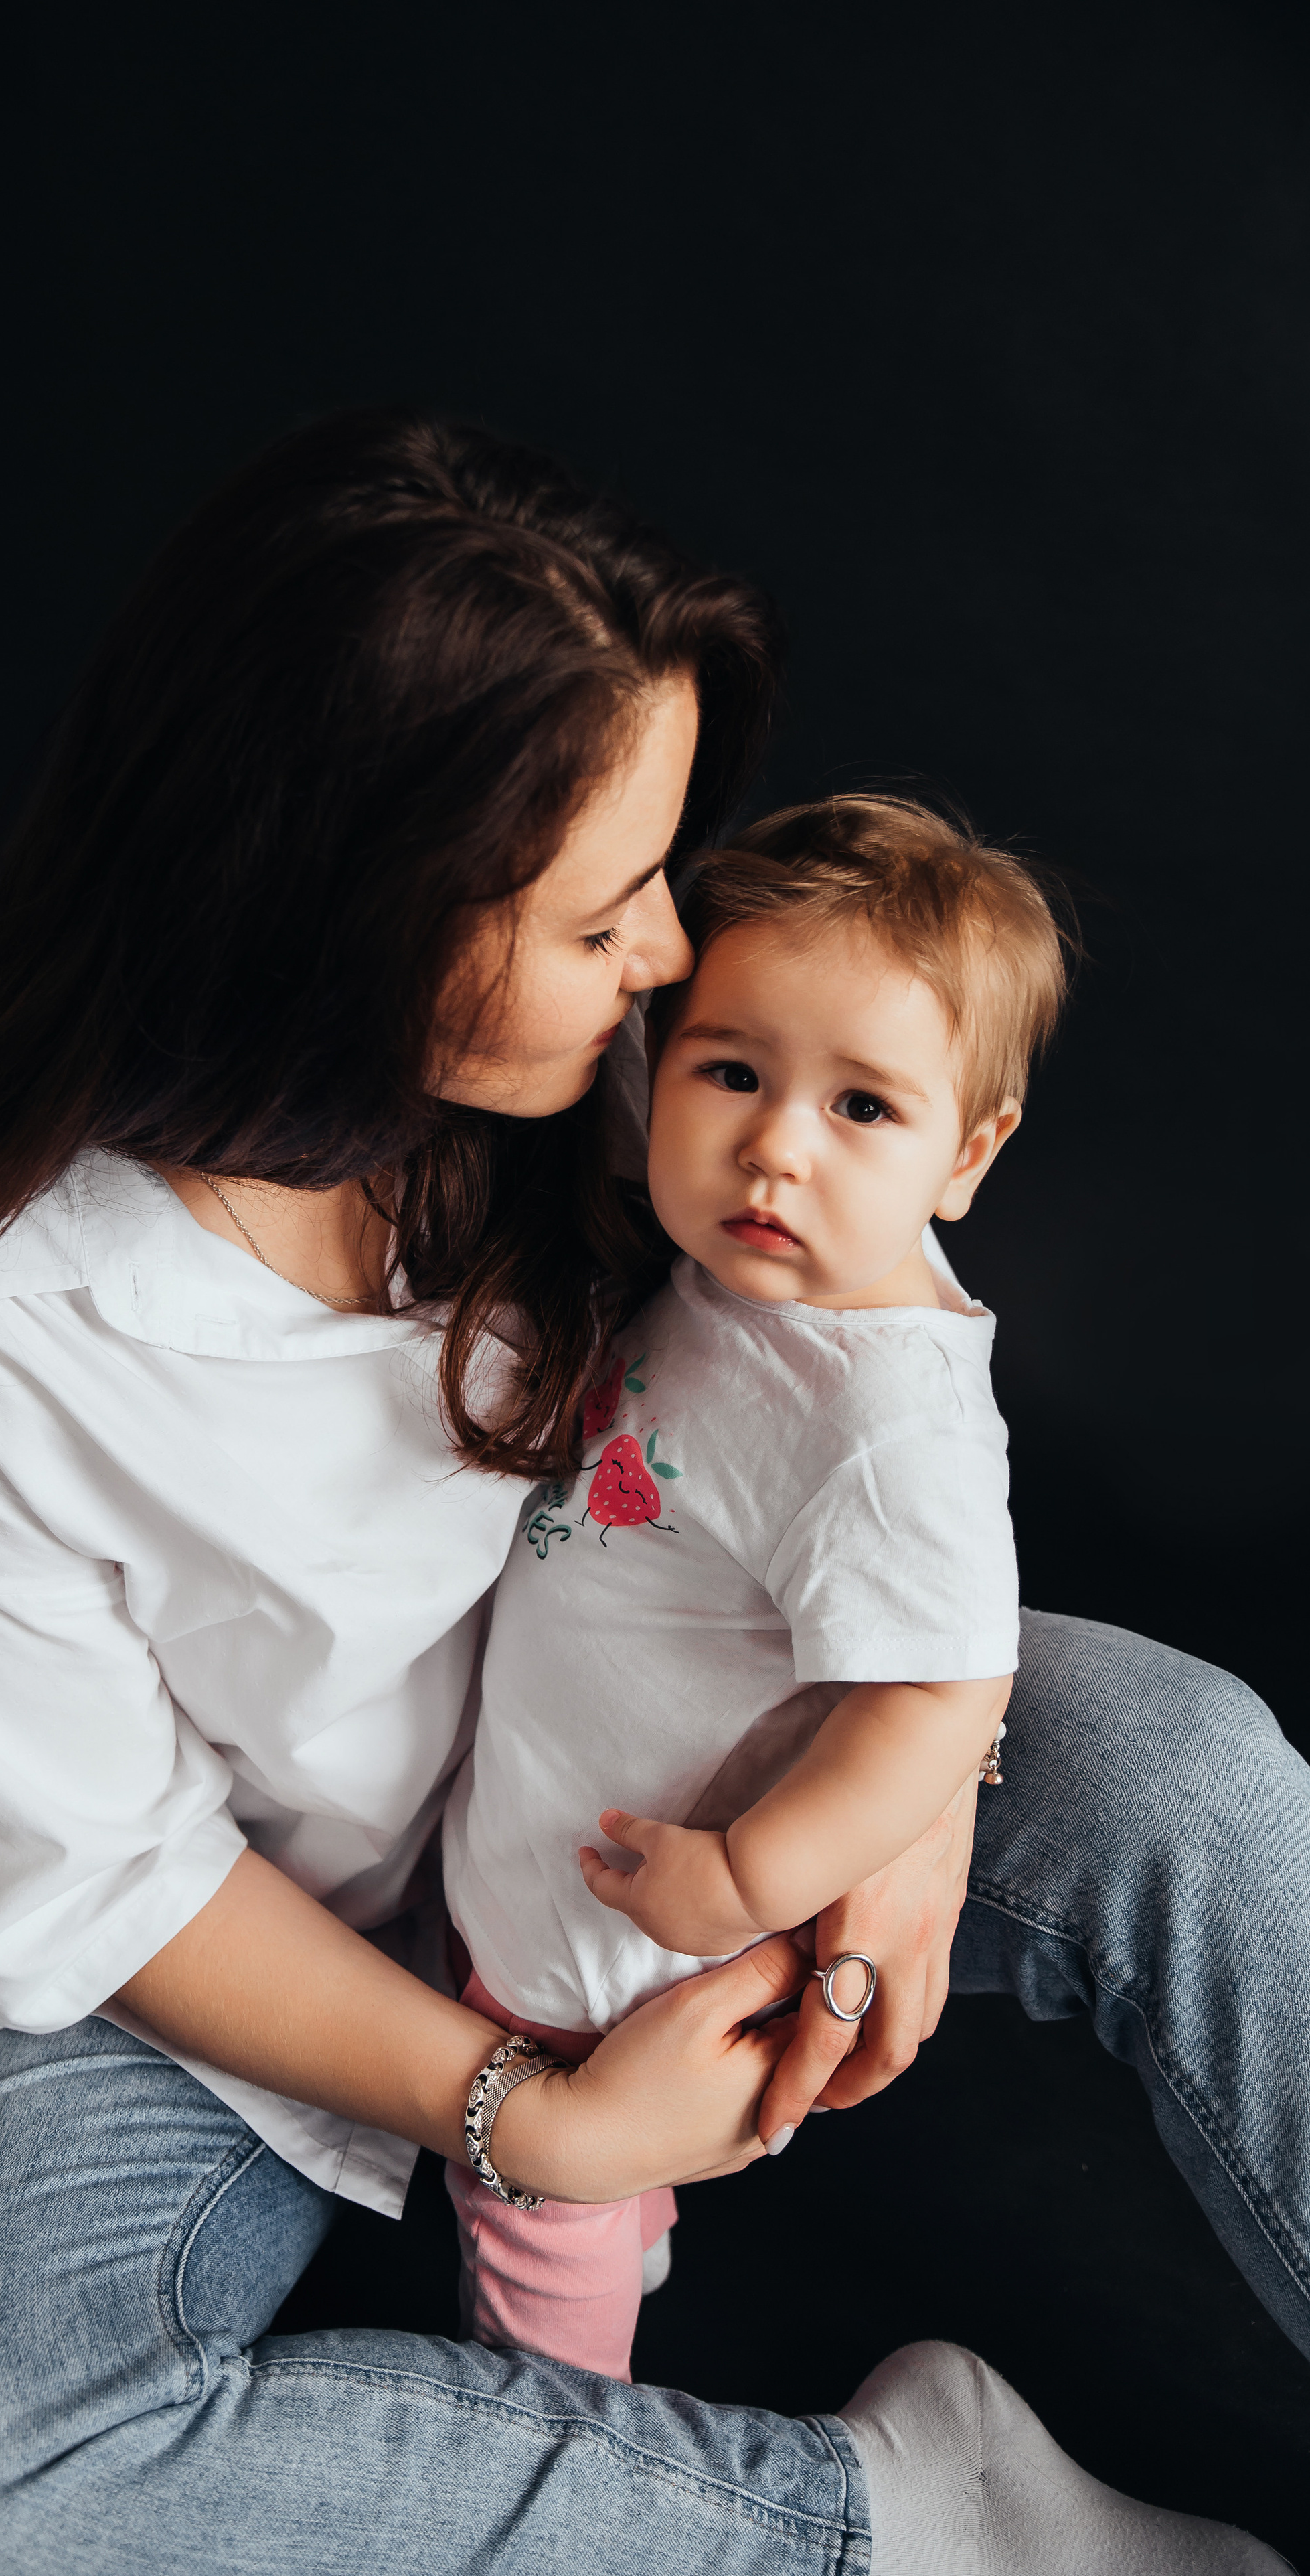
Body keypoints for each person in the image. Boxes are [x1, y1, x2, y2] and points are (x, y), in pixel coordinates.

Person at [0, 410, 1303, 2573]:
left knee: (1192, 1764)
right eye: (604, 912)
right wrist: (523, 2102)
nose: (673, 954)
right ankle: (901, 2523)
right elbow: (87, 1864)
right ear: (359, 914)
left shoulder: (595, 1081)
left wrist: (922, 1777)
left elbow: (880, 1325)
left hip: (677, 1767)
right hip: (245, 1944)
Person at [441, 795, 1058, 2378]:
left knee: (531, 2214)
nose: (774, 1145)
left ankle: (564, 2432)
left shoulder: (883, 1414)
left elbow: (936, 1694)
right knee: (588, 2191)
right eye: (732, 1073)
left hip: (621, 1950)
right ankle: (629, 2234)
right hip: (546, 1860)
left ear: (965, 1155)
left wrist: (746, 1879)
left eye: (862, 1108)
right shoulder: (744, 1264)